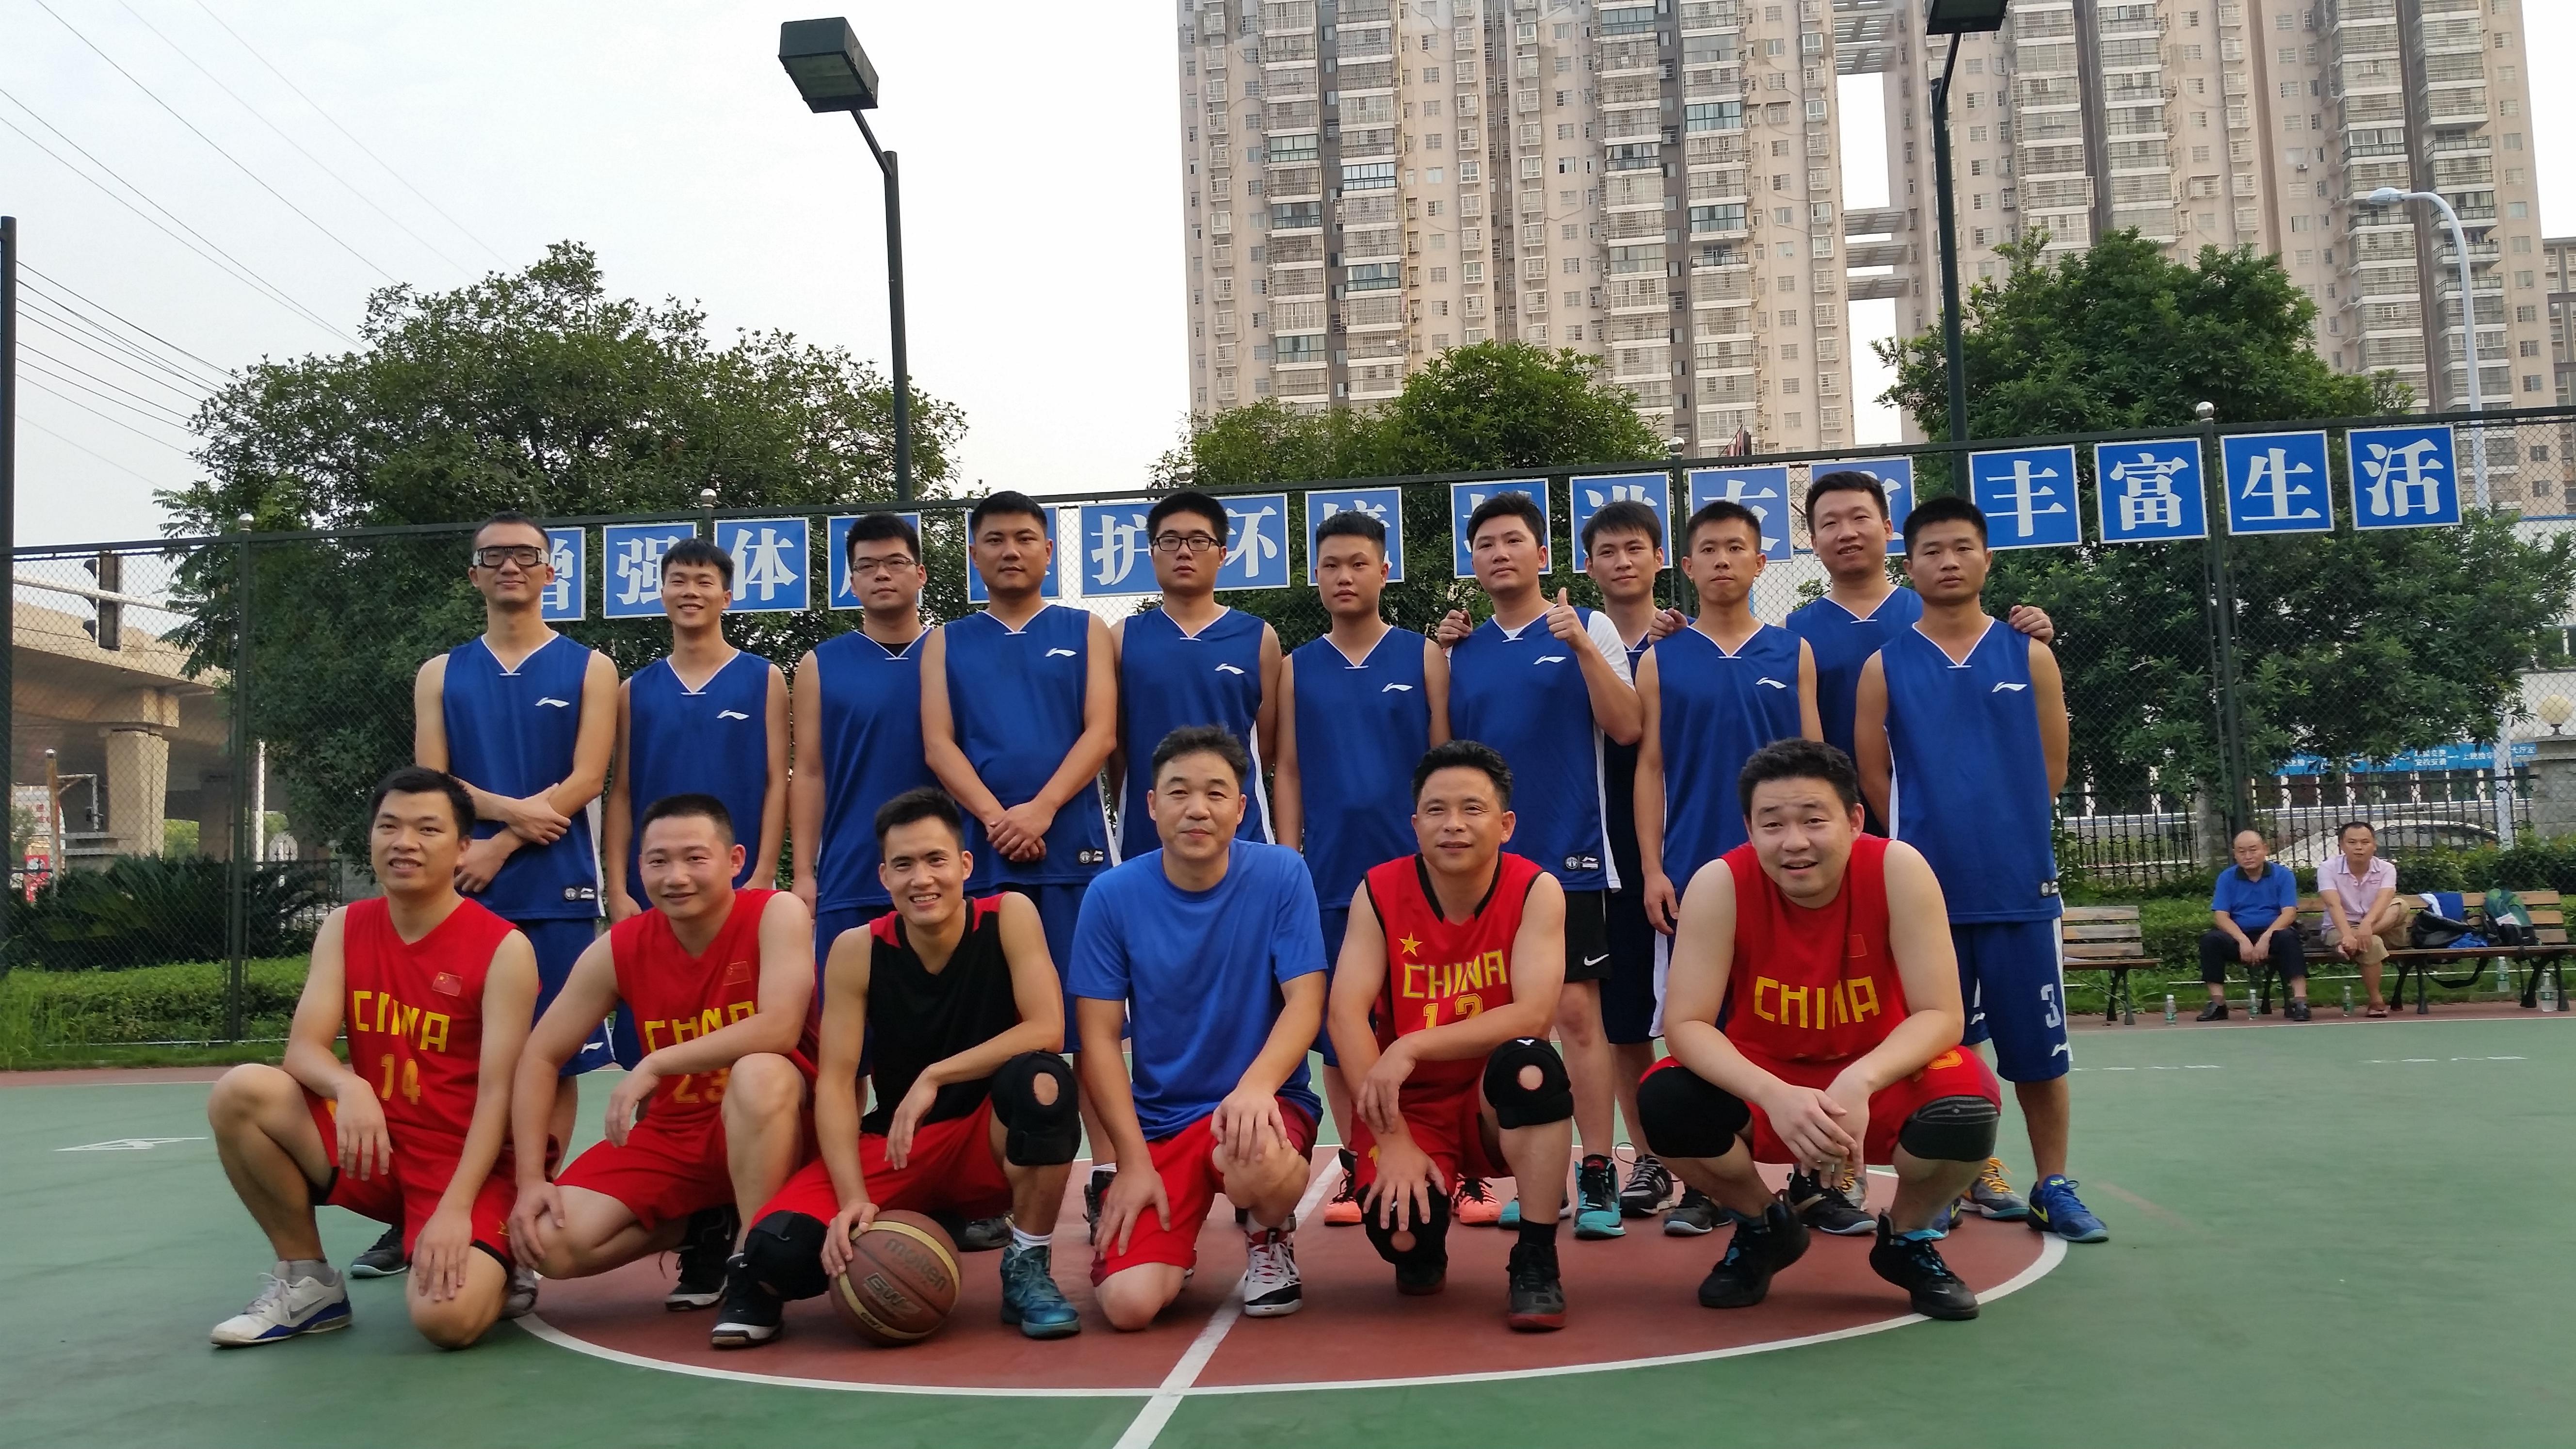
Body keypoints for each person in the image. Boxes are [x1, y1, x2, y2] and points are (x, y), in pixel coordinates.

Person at [1638, 739, 2002, 1322]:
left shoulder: (1897, 869)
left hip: (1880, 1071)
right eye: (1772, 824)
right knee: (1664, 1099)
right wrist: (1772, 1094)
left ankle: (1906, 1238)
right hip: (1765, 1077)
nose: (1794, 842)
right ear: (1749, 829)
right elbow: (1684, 1024)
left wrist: (1861, 1081)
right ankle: (1763, 1225)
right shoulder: (1719, 883)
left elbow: (1940, 1014)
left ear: (1853, 820)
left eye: (1813, 820)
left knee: (1966, 1107)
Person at [1787, 471, 2048, 1227]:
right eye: (1829, 521)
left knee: (1946, 1018)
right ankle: (1840, 1169)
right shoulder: (1799, 629)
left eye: (1860, 517)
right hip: (1831, 847)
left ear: (1886, 529)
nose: (1846, 531)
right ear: (1812, 539)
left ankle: (1969, 1157)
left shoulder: (1934, 610)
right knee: (1850, 1012)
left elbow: (2033, 747)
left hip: (1924, 848)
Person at [203, 767, 537, 1350]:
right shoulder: (345, 926)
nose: (404, 843)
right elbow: (303, 1050)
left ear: (463, 847)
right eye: (389, 826)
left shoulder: (504, 949)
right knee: (242, 1092)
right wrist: (349, 1086)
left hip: (466, 1166)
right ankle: (308, 1282)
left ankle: (501, 1256)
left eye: (427, 829)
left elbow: (498, 1096)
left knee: (447, 1322)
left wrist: (456, 1209)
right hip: (376, 1146)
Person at [735, 788, 1083, 1342]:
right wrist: (853, 1197)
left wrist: (935, 1074)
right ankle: (933, 1217)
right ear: (883, 876)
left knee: (1043, 1082)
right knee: (777, 1252)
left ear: (964, 865)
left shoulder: (1008, 916)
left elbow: (1047, 1028)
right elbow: (836, 1084)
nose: (921, 879)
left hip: (985, 1141)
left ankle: (1027, 1266)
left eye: (935, 860)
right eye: (903, 865)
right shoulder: (856, 950)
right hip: (900, 1144)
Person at [1853, 497, 2105, 1245]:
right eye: (1932, 551)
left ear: (1987, 560)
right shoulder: (1884, 666)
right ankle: (1942, 1186)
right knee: (1934, 1052)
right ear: (1909, 566)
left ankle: (2053, 1184)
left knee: (2038, 1054)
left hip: (2019, 888)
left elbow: (2052, 768)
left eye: (1963, 548)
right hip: (1927, 900)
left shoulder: (2029, 654)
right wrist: (1922, 844)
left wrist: (2002, 829)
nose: (1948, 562)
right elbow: (1874, 778)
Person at [505, 794, 814, 1349]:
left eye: (695, 858)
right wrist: (531, 1179)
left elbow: (780, 1028)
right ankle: (705, 1226)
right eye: (658, 861)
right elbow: (539, 1056)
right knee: (549, 1242)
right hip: (676, 1136)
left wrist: (659, 1060)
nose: (676, 877)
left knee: (758, 1073)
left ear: (735, 861)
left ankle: (754, 1271)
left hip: (775, 1127)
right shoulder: (620, 948)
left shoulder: (776, 913)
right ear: (638, 868)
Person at [405, 511, 618, 1280]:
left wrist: (498, 842)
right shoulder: (440, 673)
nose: (510, 568)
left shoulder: (591, 668)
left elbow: (587, 778)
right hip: (465, 894)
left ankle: (529, 1212)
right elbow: (434, 781)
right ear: (474, 575)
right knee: (460, 1061)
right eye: (493, 557)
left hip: (555, 890)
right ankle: (426, 1204)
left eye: (526, 556)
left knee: (549, 1060)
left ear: (551, 572)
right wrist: (512, 815)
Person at [1434, 492, 1642, 1239]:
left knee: (1577, 1014)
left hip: (1570, 853)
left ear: (1542, 554)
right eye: (1486, 544)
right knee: (1508, 1026)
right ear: (1473, 562)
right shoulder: (1459, 650)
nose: (1500, 553)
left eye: (1513, 540)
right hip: (1486, 867)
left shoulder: (1587, 626)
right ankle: (1536, 1178)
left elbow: (1628, 726)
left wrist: (1581, 646)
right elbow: (1446, 759)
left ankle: (1598, 1169)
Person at [1071, 726, 1326, 1330]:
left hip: (1260, 1108)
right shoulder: (1110, 896)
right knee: (1129, 1307)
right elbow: (1099, 1039)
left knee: (1258, 1157)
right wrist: (1130, 1162)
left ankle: (1268, 1235)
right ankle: (1171, 1243)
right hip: (1162, 1120)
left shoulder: (1282, 874)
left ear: (1239, 808)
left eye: (1215, 793)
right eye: (1178, 792)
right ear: (1151, 805)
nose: (1197, 809)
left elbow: (1305, 1000)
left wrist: (1256, 1087)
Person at [921, 490, 1121, 1228]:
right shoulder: (946, 641)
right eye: (996, 539)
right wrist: (995, 818)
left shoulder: (1084, 629)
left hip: (1074, 853)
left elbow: (1101, 733)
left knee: (1091, 1025)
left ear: (1048, 551)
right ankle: (985, 1188)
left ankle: (1108, 1173)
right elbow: (939, 744)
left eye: (1025, 538)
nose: (1011, 550)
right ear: (973, 553)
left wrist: (1040, 809)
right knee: (990, 1029)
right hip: (982, 860)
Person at [1328, 740, 1576, 1331]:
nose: (1453, 824)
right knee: (1403, 1238)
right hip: (1411, 1106)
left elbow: (1532, 1015)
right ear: (1414, 824)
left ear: (1505, 824)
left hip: (1490, 1097)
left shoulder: (1535, 889)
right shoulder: (1378, 891)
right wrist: (1393, 1140)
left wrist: (1411, 1044)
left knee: (1532, 1064)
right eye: (1436, 810)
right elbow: (1344, 1014)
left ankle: (1536, 1256)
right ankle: (1427, 1238)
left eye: (1472, 809)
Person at [1630, 500, 1830, 1228]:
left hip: (1789, 869)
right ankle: (1711, 1185)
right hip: (1693, 871)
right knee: (1698, 1025)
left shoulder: (1792, 652)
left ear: (1760, 562)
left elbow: (1818, 764)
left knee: (1800, 1014)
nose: (1722, 560)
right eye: (1708, 549)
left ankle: (1818, 1179)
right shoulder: (1661, 658)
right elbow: (1649, 768)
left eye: (1736, 547)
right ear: (1686, 567)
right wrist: (1652, 868)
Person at [1272, 508, 1451, 1228]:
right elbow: (1286, 768)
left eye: (1357, 563)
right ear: (1315, 577)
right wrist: (1289, 857)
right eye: (1330, 566)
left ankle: (1458, 1166)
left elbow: (1442, 764)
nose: (1344, 576)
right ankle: (1357, 1162)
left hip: (1414, 877)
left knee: (1426, 1019)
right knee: (1339, 1033)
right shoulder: (1295, 668)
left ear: (1384, 570)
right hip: (1329, 876)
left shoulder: (1422, 656)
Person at [1571, 501, 1701, 1231]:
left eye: (1634, 548)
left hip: (1681, 844)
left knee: (1698, 1012)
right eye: (1607, 551)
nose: (1622, 561)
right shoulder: (1572, 638)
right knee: (1624, 1019)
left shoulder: (1686, 642)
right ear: (1588, 566)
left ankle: (1713, 1155)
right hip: (1604, 850)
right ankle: (1647, 1157)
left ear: (1659, 558)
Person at [790, 512, 940, 987]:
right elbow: (808, 772)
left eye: (895, 563)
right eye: (867, 566)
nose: (882, 575)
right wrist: (803, 873)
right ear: (852, 582)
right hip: (852, 868)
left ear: (920, 574)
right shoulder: (820, 665)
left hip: (940, 872)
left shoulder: (953, 654)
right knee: (850, 1016)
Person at [1111, 489, 1282, 849]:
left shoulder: (1258, 637)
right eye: (1170, 541)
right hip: (1147, 835)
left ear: (1222, 554)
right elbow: (1117, 745)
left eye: (1199, 541)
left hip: (1240, 834)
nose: (1184, 552)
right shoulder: (1121, 638)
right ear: (1152, 553)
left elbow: (1264, 746)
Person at [2199, 830, 2309, 1022]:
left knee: (2289, 938)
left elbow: (2289, 913)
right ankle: (2218, 1004)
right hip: (2239, 935)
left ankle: (2300, 1001)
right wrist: (2242, 940)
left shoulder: (2283, 875)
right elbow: (2221, 916)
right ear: (2235, 854)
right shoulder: (2227, 878)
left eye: (2253, 850)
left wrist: (2267, 937)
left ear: (2265, 849)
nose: (2248, 856)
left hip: (2273, 933)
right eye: (2242, 852)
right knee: (2210, 941)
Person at [2319, 820, 2402, 1017]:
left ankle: (2361, 937)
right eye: (2352, 842)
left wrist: (2367, 925)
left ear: (2374, 845)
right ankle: (2376, 1001)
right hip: (2340, 927)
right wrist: (2348, 935)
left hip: (2378, 924)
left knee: (2401, 905)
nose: (2359, 847)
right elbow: (2334, 905)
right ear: (2342, 845)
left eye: (2365, 842)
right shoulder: (2327, 868)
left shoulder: (2387, 868)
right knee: (2373, 943)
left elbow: (2384, 899)